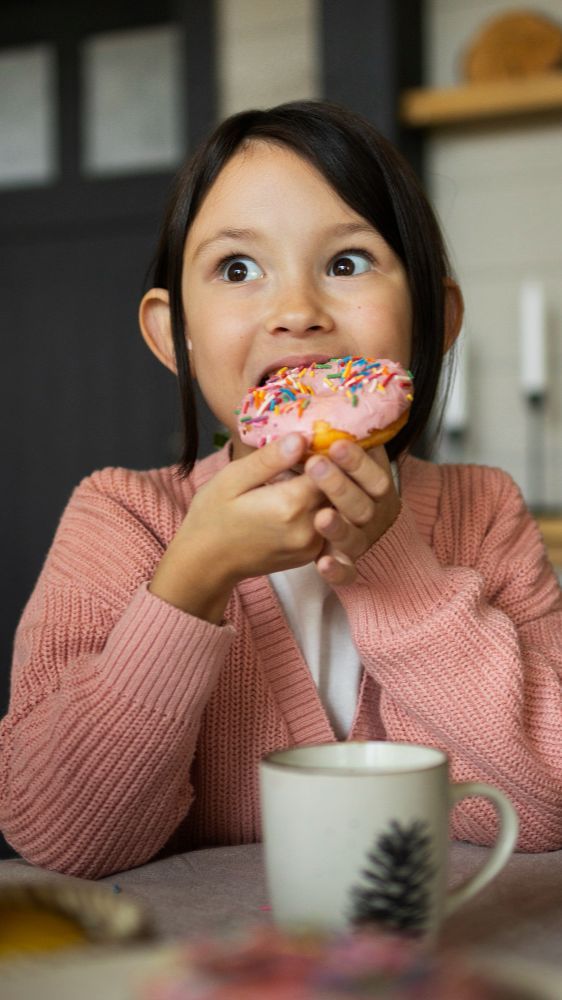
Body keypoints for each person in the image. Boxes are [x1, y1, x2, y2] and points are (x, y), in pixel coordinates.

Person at [1, 101, 561, 879]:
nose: (297, 312)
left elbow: (545, 805)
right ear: (176, 336)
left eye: (346, 262)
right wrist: (189, 584)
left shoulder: (484, 513)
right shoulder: (124, 518)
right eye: (238, 269)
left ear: (435, 318)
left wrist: (393, 560)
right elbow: (62, 835)